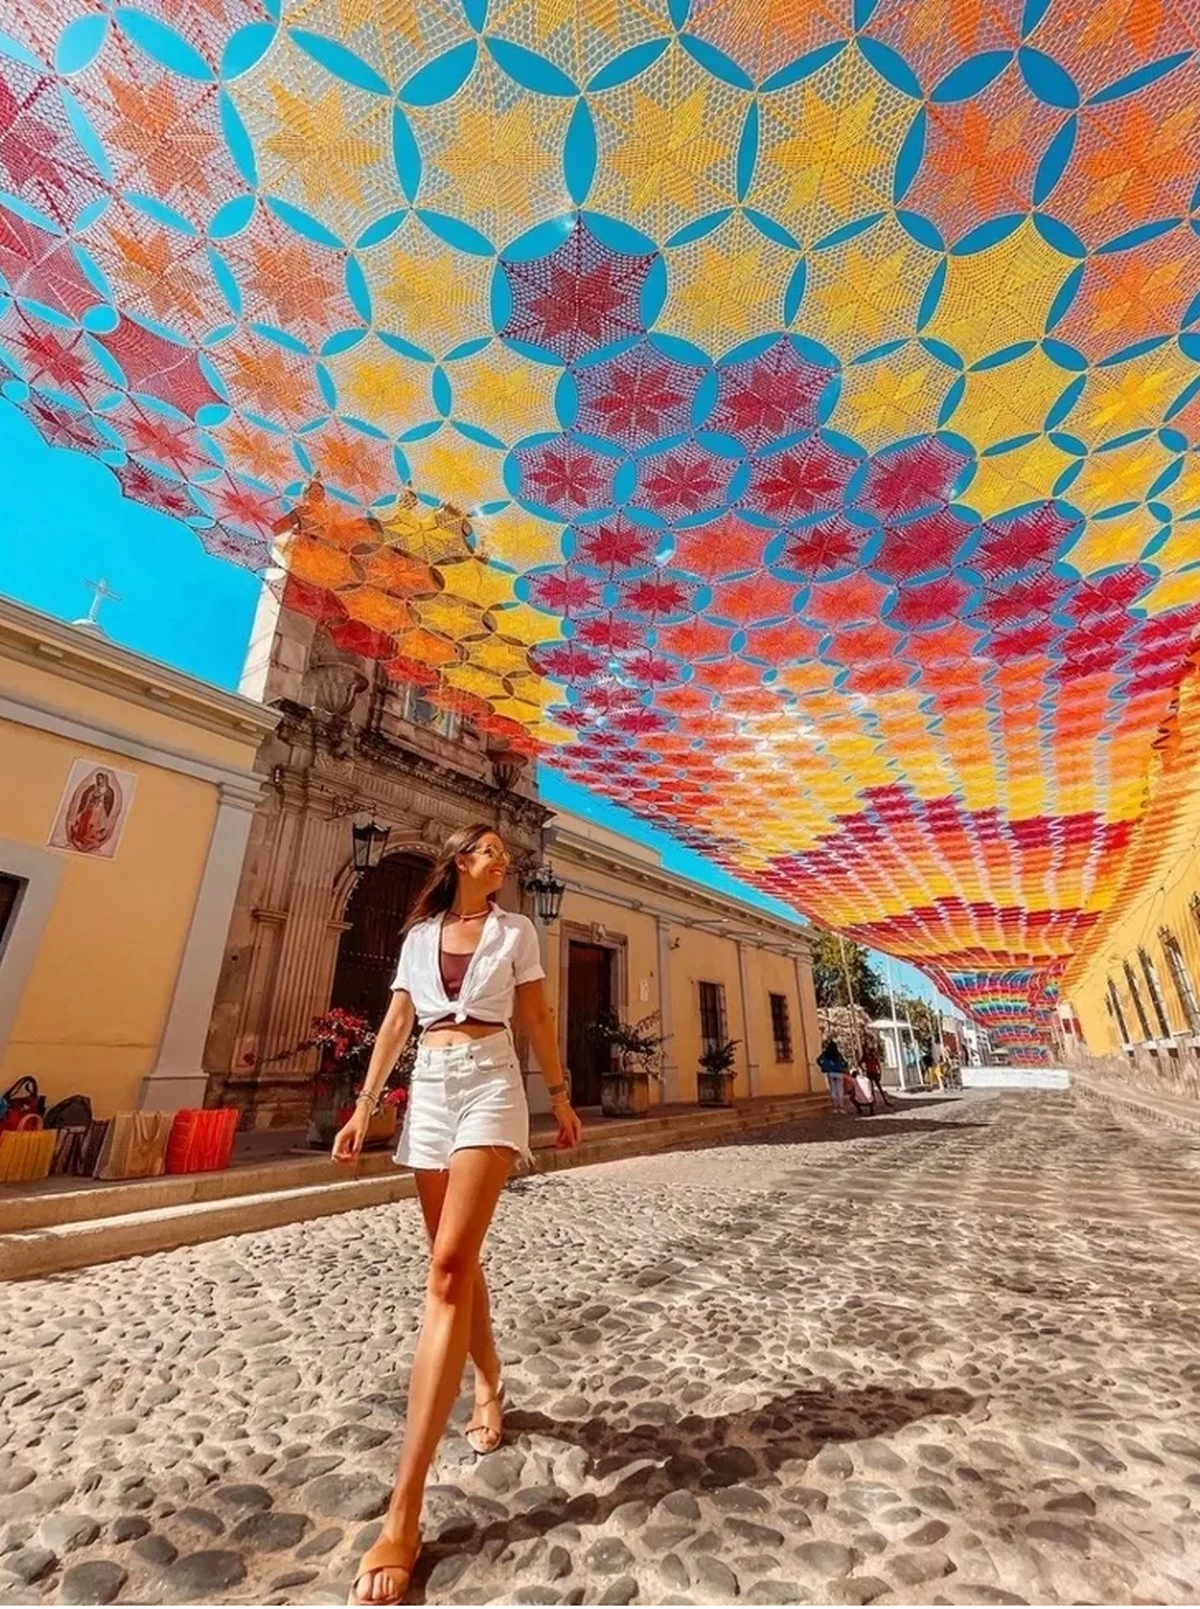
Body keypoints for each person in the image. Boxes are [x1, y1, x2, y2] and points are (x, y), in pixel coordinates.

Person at [332, 824, 583, 1606]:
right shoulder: (417, 937)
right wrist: (365, 1106)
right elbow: (397, 1023)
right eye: (487, 849)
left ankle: (403, 1510)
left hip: (490, 1085)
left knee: (445, 1268)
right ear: (458, 862)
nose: (501, 858)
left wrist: (562, 1096)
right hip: (431, 1092)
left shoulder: (517, 929)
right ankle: (489, 1382)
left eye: (506, 851)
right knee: (453, 1259)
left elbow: (537, 1017)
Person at [817, 1037, 850, 1114]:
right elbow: (845, 1062)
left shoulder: (825, 1054)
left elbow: (818, 1060)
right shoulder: (838, 1054)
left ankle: (835, 1107)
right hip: (839, 1072)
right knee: (840, 1090)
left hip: (830, 1073)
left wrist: (823, 1066)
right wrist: (843, 1067)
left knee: (833, 1090)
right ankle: (841, 1107)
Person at [862, 1037, 891, 1109]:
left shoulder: (870, 1057)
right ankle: (879, 1100)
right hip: (872, 1072)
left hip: (871, 1072)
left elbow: (878, 1065)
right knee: (874, 1087)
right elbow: (878, 1065)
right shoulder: (869, 1057)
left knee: (874, 1088)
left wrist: (864, 1069)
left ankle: (876, 1101)